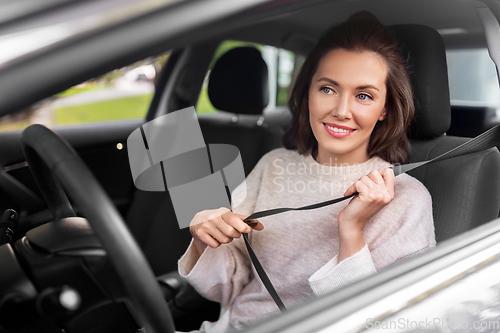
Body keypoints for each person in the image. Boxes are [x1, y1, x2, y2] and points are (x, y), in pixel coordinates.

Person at [178, 11, 435, 333]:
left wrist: (352, 230)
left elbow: (390, 325)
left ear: (385, 108)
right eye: (328, 89)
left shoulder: (407, 198)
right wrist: (205, 238)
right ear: (308, 93)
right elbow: (229, 288)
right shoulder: (274, 165)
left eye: (364, 96)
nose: (341, 111)